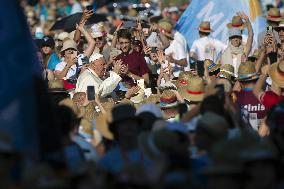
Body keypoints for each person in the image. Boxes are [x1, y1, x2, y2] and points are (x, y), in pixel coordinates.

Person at [97, 104, 152, 174]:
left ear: (137, 125)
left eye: (131, 122)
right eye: (123, 123)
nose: (128, 126)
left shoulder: (152, 151)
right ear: (115, 129)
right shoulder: (108, 160)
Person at [233, 61, 266, 130]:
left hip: (243, 138)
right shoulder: (267, 97)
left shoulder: (235, 97)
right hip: (263, 138)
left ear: (240, 81)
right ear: (255, 78)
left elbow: (235, 89)